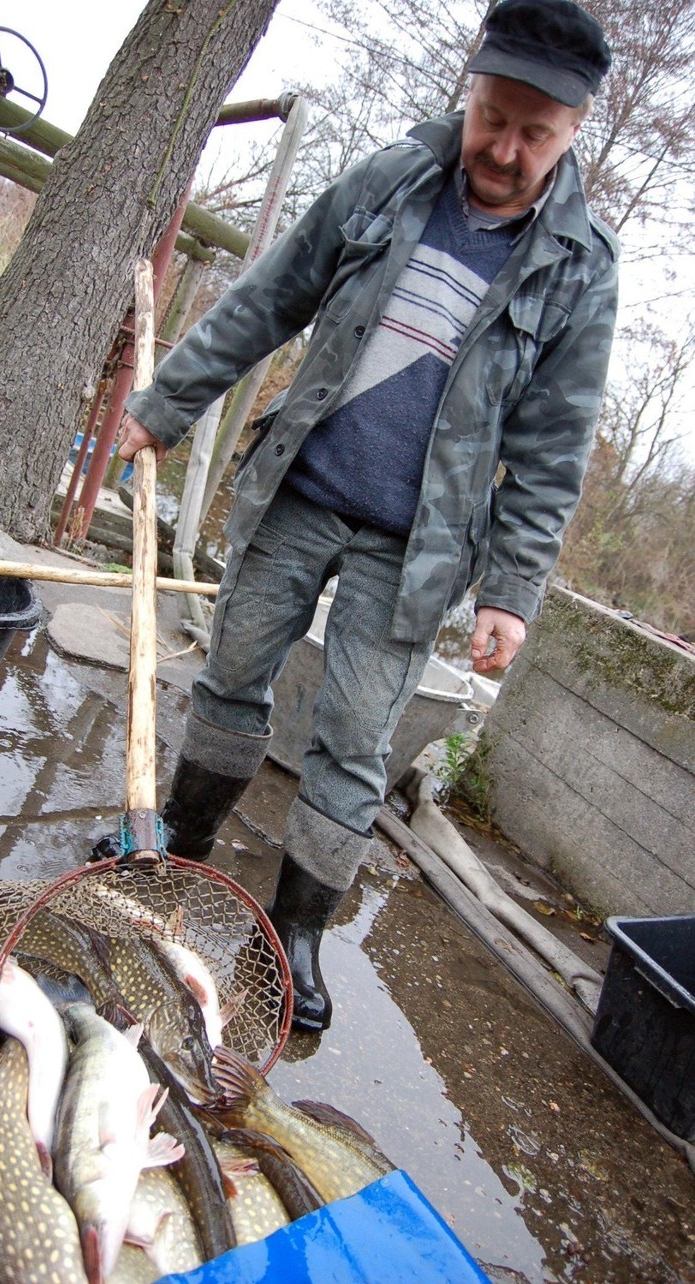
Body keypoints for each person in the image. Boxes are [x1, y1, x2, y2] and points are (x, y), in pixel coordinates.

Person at [118, 0, 618, 1032]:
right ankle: (180, 843)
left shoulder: (582, 268)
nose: (507, 148)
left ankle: (296, 928)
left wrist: (512, 595)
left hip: (416, 549)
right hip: (300, 491)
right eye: (495, 117)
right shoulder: (390, 180)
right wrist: (166, 404)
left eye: (537, 133)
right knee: (231, 677)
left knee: (354, 738)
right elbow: (269, 296)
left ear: (573, 134)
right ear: (470, 94)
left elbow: (552, 451)